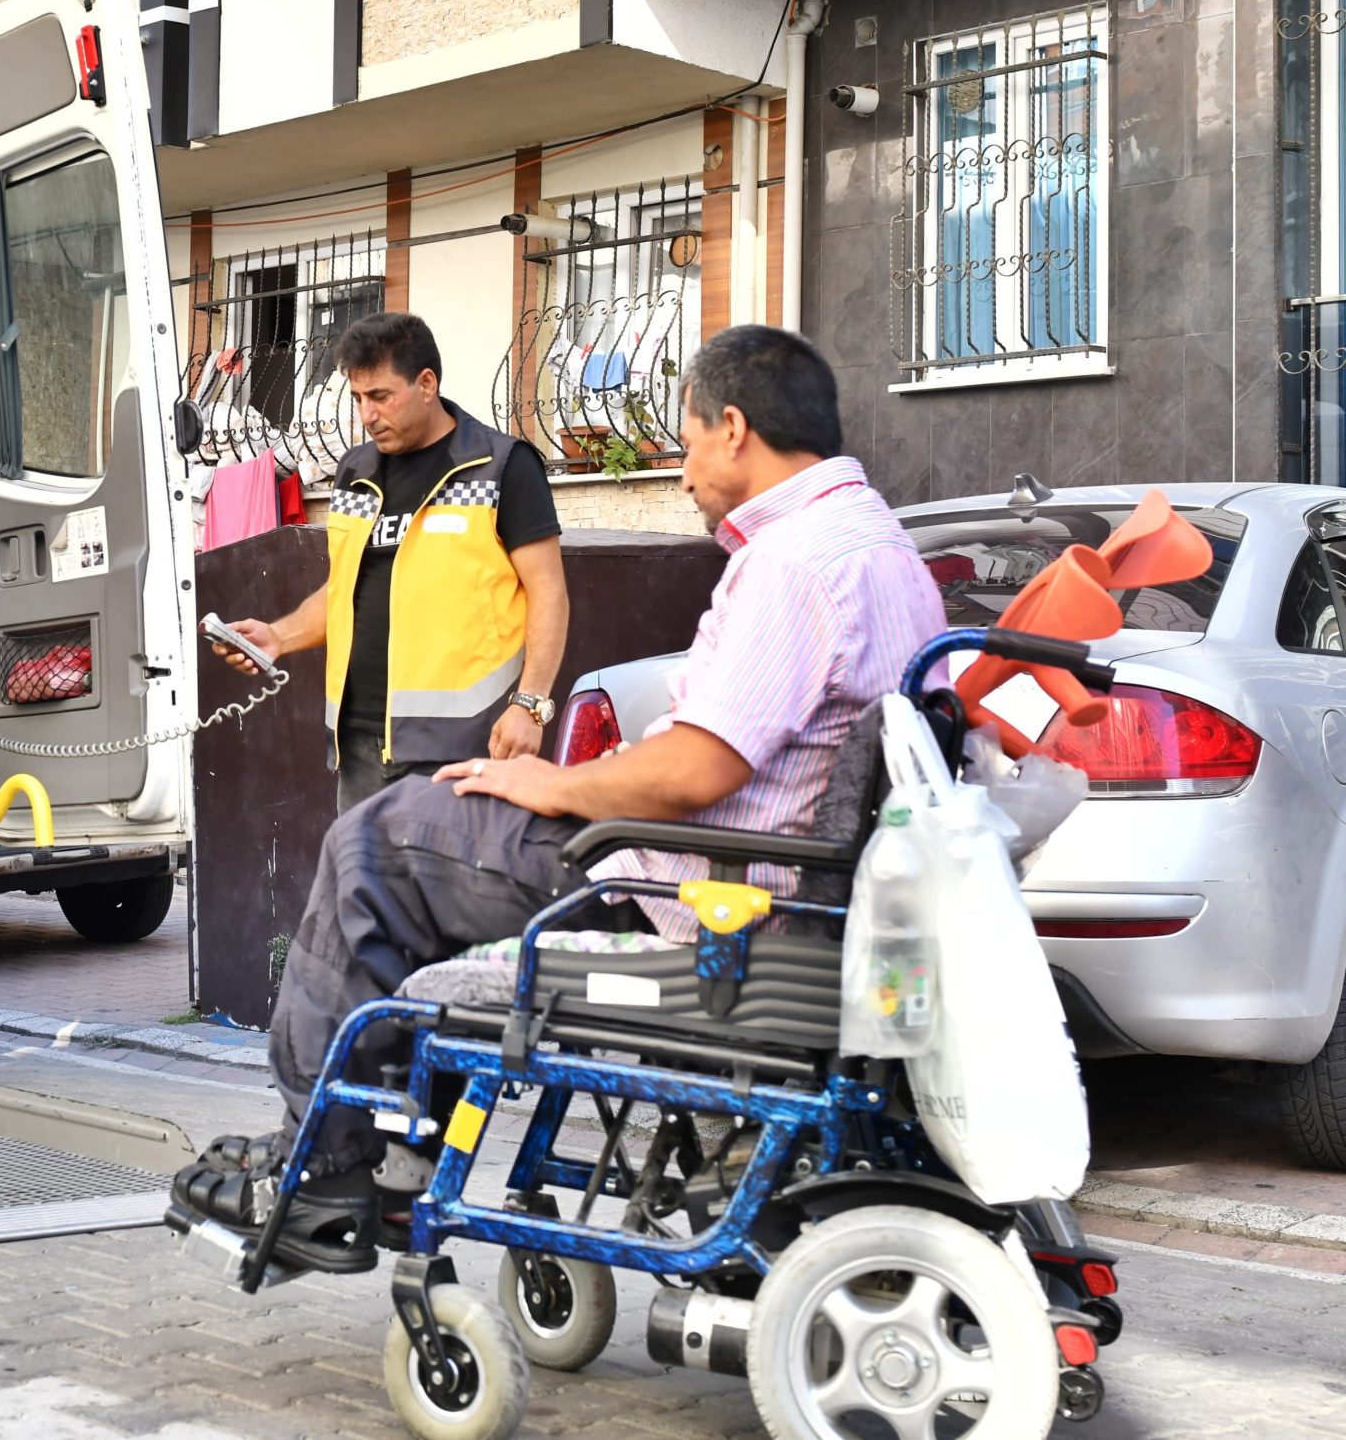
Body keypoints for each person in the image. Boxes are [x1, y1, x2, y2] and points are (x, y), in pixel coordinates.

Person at [177, 326, 949, 1271]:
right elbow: (347, 592)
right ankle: (395, 1146)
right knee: (405, 852)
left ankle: (325, 1166)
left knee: (369, 847)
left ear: (735, 429)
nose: (685, 471)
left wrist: (558, 776)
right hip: (753, 871)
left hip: (682, 885)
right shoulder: (881, 543)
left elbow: (699, 768)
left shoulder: (794, 563)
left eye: (690, 438)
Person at [211, 312, 568, 811]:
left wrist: (530, 706)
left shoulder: (502, 465)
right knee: (364, 890)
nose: (367, 414)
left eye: (380, 396)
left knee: (448, 892)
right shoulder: (355, 472)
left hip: (466, 746)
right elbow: (346, 589)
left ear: (427, 384)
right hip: (358, 748)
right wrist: (279, 637)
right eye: (358, 398)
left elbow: (549, 592)